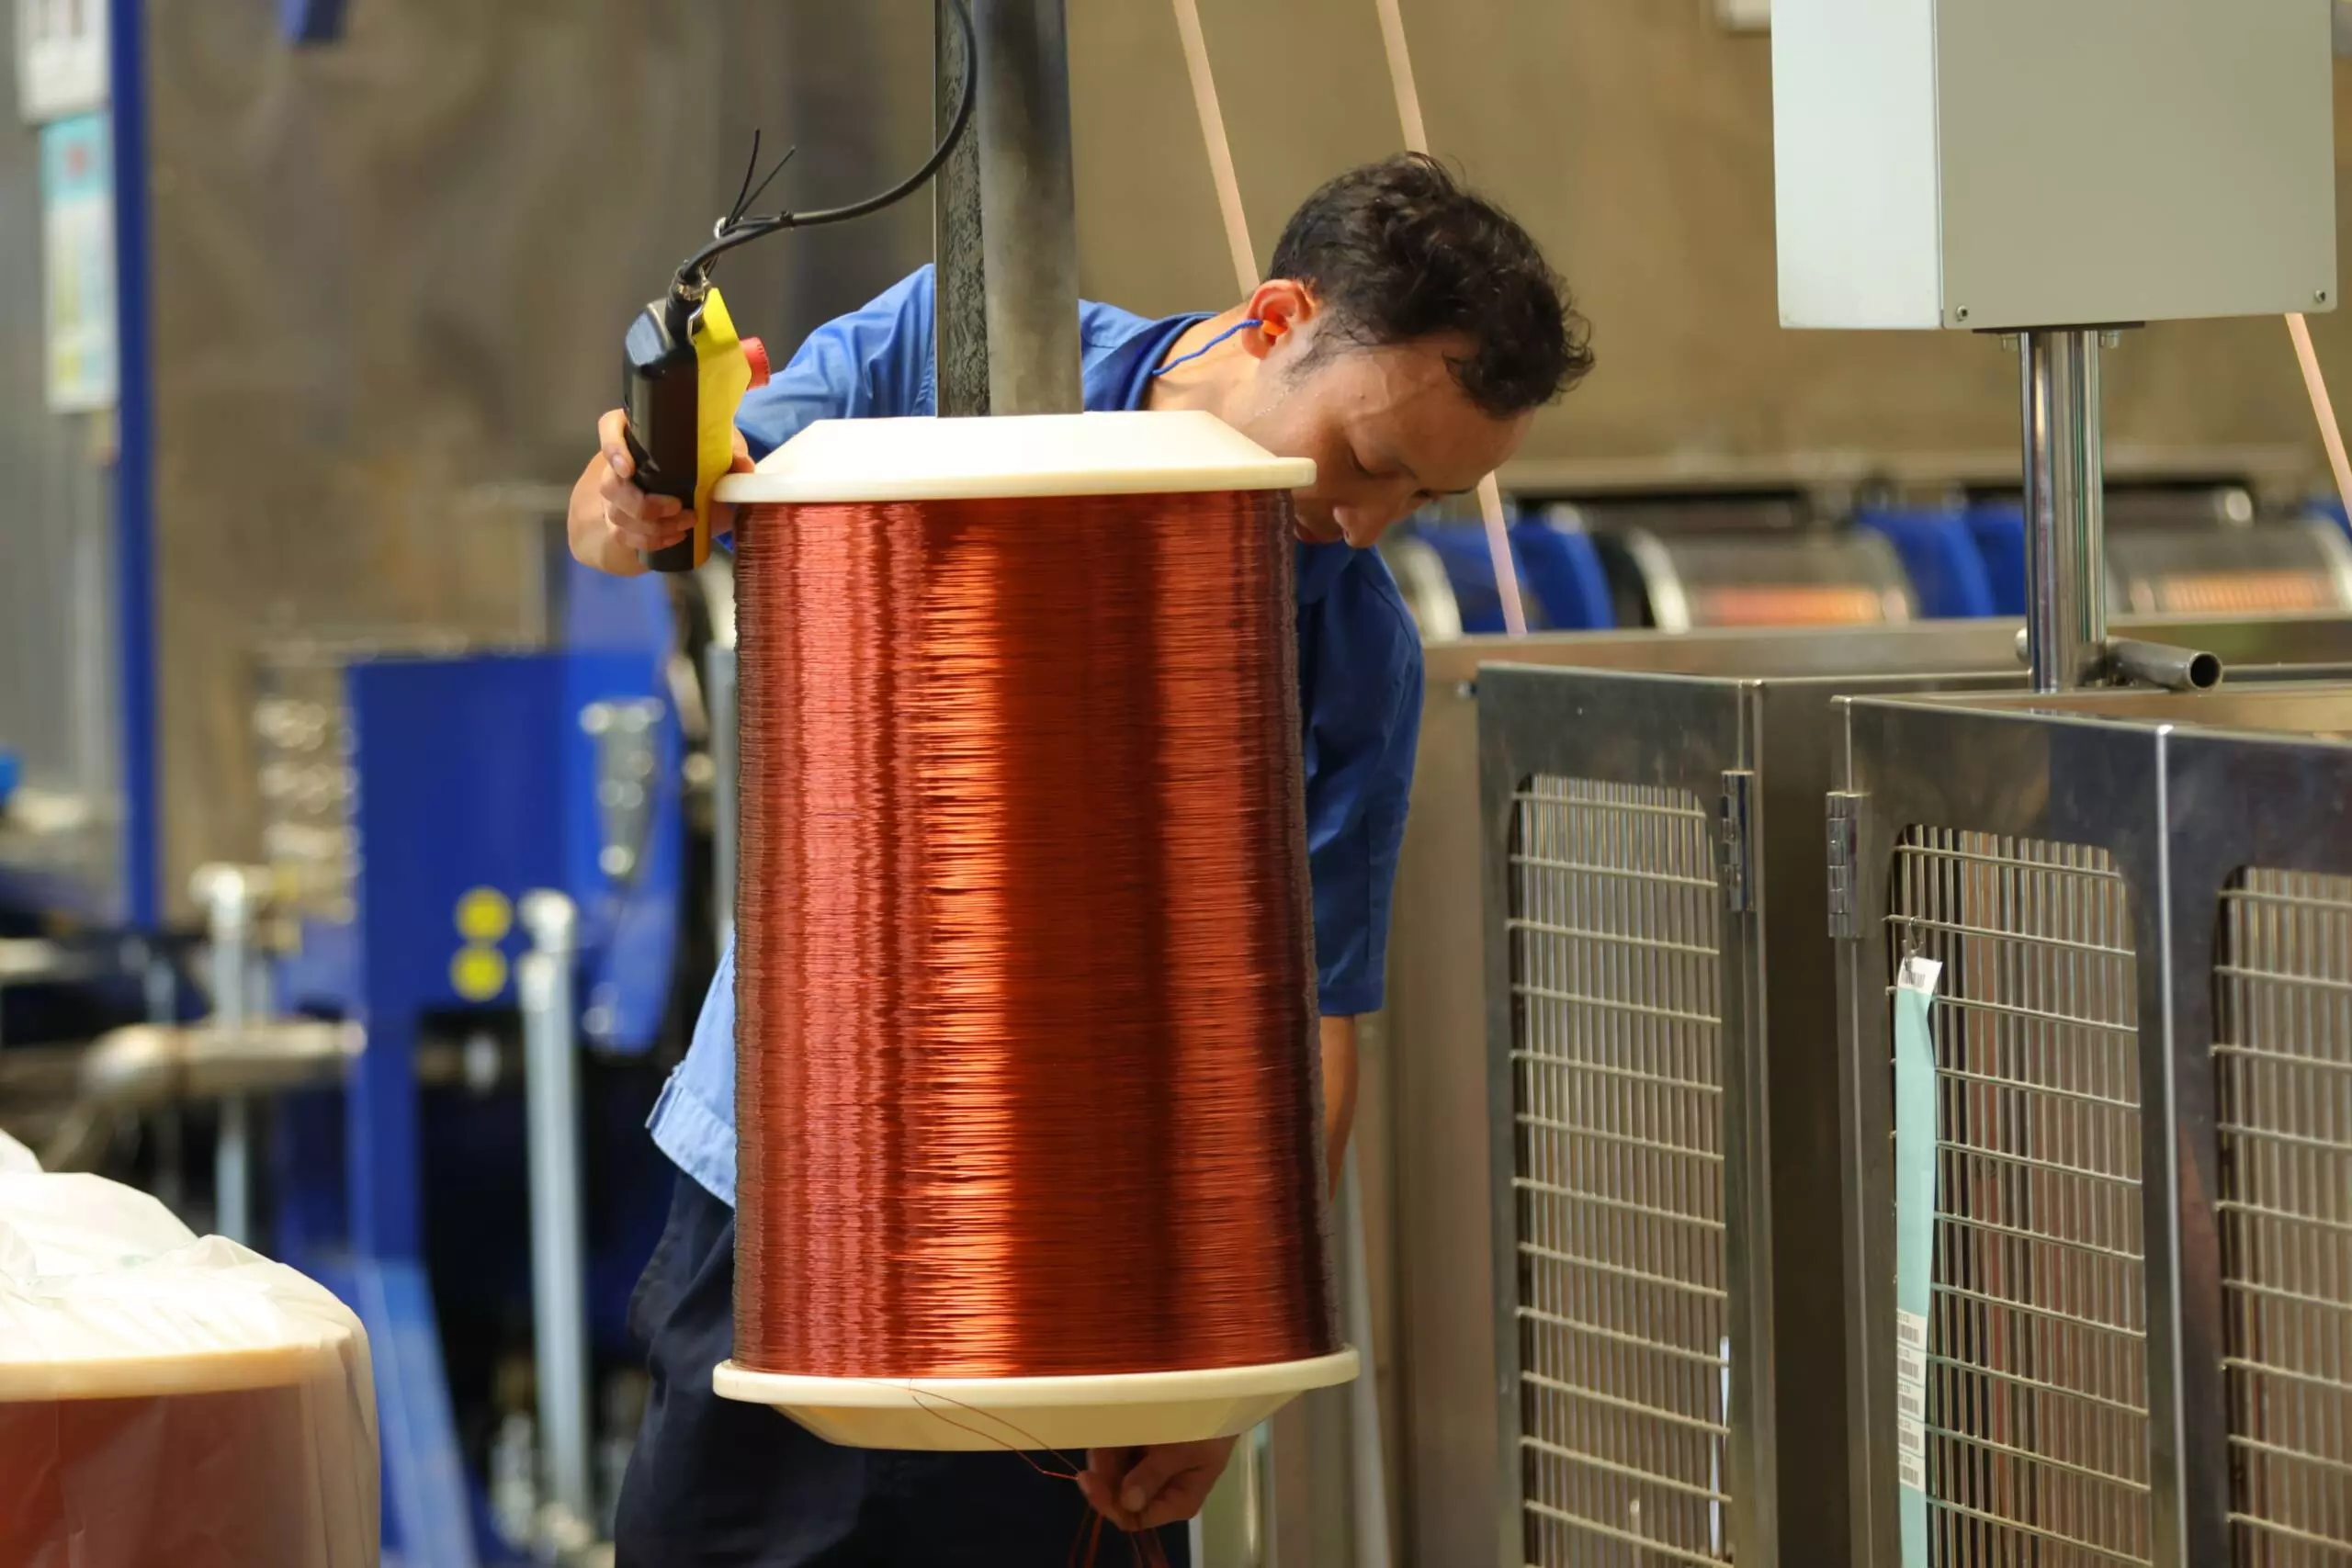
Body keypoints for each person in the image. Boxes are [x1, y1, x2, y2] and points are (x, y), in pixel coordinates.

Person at [572, 152, 1591, 1568]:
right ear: (1278, 315)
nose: (1364, 521)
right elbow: (658, 505)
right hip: (798, 1206)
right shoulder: (937, 349)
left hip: (1110, 1287)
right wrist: (628, 503)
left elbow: (1317, 1020)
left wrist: (1229, 1363)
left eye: (1420, 498)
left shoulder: (1352, 646)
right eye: (1365, 460)